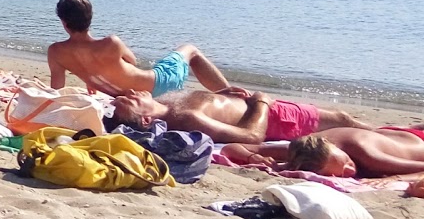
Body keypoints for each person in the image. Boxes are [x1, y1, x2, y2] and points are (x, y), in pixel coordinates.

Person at [48, 0, 230, 96]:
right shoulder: (111, 43)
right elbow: (132, 62)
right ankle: (228, 93)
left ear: (64, 22)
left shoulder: (56, 52)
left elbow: (56, 90)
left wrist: (93, 78)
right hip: (157, 85)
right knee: (191, 50)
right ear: (90, 18)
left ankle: (228, 93)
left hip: (122, 95)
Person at [109, 88, 369, 143]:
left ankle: (403, 133)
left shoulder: (163, 102)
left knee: (345, 121)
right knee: (344, 120)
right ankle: (404, 134)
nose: (131, 93)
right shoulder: (186, 118)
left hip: (256, 105)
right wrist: (261, 103)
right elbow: (252, 135)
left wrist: (220, 95)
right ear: (146, 120)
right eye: (129, 101)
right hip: (278, 117)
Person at [223, 127, 424, 179]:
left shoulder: (368, 156)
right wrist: (253, 157)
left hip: (415, 139)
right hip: (388, 134)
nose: (349, 171)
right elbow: (231, 147)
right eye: (337, 174)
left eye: (345, 162)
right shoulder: (304, 149)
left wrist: (394, 177)